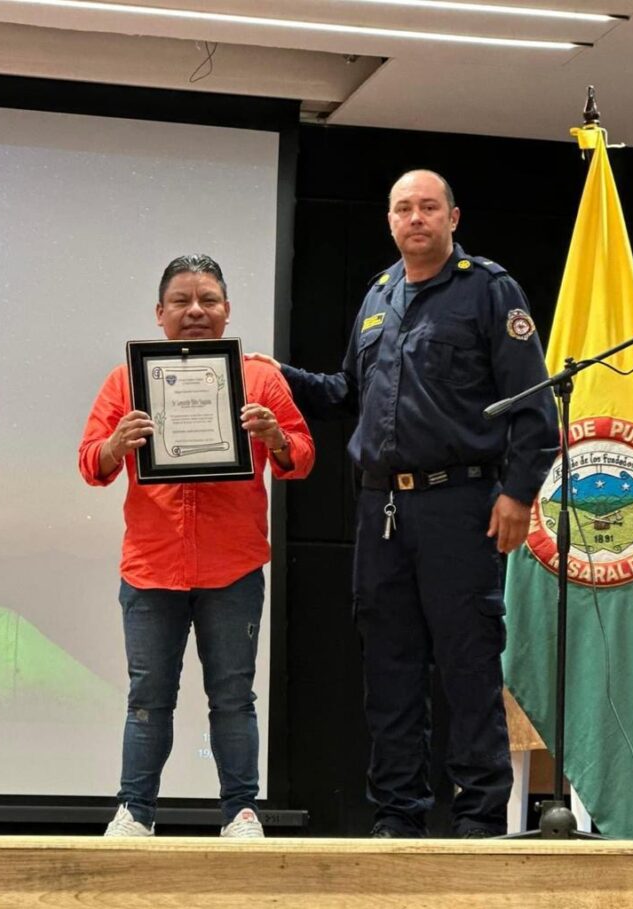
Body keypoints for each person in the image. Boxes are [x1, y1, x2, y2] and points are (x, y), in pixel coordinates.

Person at [251, 170, 558, 838]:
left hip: (462, 505)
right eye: (402, 208)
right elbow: (346, 393)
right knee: (388, 668)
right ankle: (398, 813)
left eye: (427, 207)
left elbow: (536, 410)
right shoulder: (378, 295)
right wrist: (280, 376)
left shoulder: (488, 289)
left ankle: (478, 817)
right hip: (381, 510)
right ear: (389, 221)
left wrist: (515, 494)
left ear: (453, 216)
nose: (414, 218)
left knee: (467, 661)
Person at [79, 254, 314, 839]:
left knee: (233, 698)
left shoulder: (259, 380)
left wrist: (275, 436)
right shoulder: (125, 380)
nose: (195, 311)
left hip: (232, 567)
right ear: (160, 314)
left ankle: (240, 812)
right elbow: (91, 463)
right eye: (181, 301)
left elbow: (302, 457)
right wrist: (115, 445)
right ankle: (135, 812)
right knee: (147, 699)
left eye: (208, 300)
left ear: (227, 311)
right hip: (151, 567)